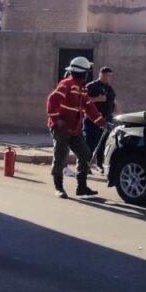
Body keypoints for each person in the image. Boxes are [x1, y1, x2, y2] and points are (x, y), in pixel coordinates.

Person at [46, 56, 108, 199]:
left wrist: (102, 122)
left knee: (85, 154)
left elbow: (89, 107)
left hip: (75, 129)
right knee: (61, 156)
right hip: (61, 129)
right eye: (86, 71)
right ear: (82, 72)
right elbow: (52, 100)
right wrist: (56, 120)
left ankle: (81, 187)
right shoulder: (67, 84)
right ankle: (59, 188)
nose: (87, 74)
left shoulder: (81, 88)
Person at [85, 66, 117, 173]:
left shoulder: (109, 88)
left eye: (111, 76)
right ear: (101, 75)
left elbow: (113, 101)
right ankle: (86, 165)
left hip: (106, 121)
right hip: (92, 120)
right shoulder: (91, 86)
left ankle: (100, 165)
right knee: (91, 143)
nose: (110, 78)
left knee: (103, 144)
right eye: (108, 76)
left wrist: (118, 113)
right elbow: (84, 101)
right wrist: (97, 99)